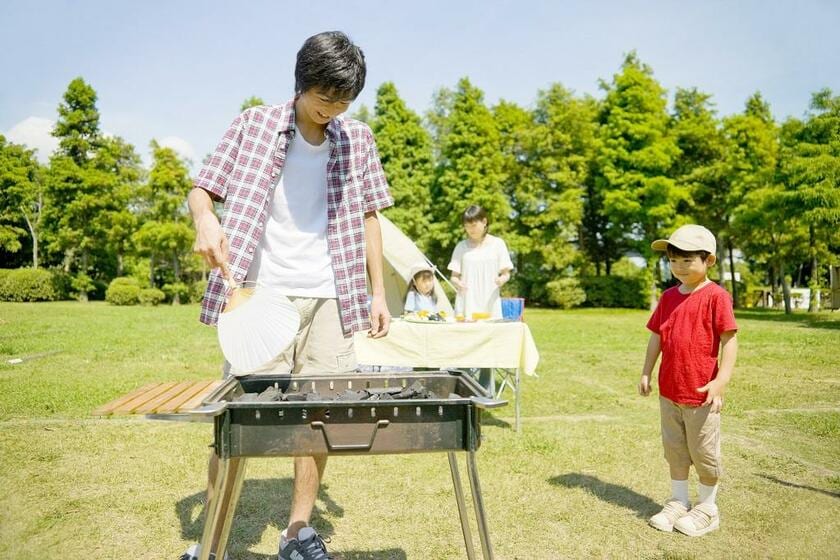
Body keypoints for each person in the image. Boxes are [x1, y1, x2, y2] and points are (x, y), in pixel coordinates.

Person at [185, 31, 392, 560]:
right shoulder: (253, 124)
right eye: (326, 99)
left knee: (319, 417)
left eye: (344, 102)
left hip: (333, 297)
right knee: (240, 419)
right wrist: (206, 219)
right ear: (301, 86)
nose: (333, 111)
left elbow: (371, 217)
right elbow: (202, 186)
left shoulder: (357, 139)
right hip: (261, 298)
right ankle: (211, 538)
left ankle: (298, 529)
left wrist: (377, 293)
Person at [639, 224, 738, 537]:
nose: (679, 267)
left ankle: (708, 508)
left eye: (687, 260)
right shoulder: (668, 297)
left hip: (701, 394)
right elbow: (656, 337)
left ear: (708, 260)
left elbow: (729, 340)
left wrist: (720, 381)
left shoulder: (716, 297)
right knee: (676, 451)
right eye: (673, 260)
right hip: (670, 392)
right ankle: (679, 502)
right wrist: (646, 371)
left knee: (703, 452)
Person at [447, 205, 513, 320]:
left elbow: (506, 273)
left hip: (490, 301)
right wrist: (458, 283)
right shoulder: (461, 247)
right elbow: (454, 277)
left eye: (474, 225)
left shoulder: (498, 244)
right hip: (467, 301)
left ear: (484, 222)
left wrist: (501, 280)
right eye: (467, 226)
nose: (471, 230)